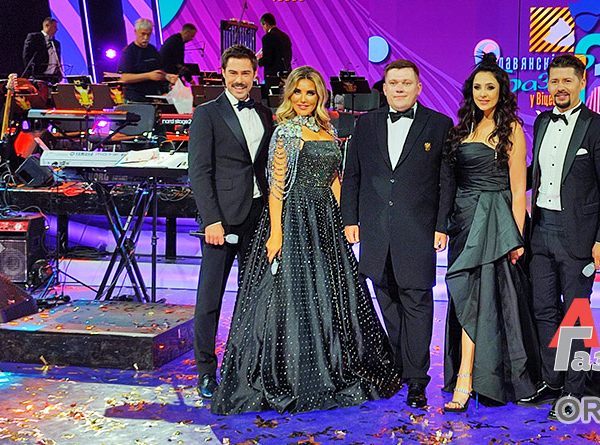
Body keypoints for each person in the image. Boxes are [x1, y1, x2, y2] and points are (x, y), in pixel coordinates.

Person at [211, 66, 401, 415]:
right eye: (297, 92)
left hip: (326, 220)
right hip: (295, 218)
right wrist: (276, 234)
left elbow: (334, 181)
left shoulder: (328, 130)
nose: (303, 99)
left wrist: (348, 220)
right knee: (294, 294)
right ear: (289, 95)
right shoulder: (285, 132)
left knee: (335, 292)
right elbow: (277, 188)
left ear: (319, 96)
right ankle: (297, 372)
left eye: (310, 92)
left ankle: (337, 362)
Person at [341, 59, 454, 408]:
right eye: (394, 83)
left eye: (407, 82)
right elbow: (353, 174)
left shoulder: (439, 124)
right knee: (387, 299)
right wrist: (350, 219)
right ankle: (401, 367)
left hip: (418, 230)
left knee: (417, 302)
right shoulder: (366, 124)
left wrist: (441, 225)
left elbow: (446, 181)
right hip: (375, 229)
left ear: (419, 87)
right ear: (385, 88)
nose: (400, 88)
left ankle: (417, 380)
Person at [520, 55, 600, 421]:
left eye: (567, 80)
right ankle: (552, 380)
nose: (560, 87)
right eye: (554, 81)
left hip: (580, 236)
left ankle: (575, 389)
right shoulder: (541, 121)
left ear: (582, 83)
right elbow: (536, 173)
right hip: (540, 231)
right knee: (544, 310)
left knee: (575, 314)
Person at [442, 53, 539, 412]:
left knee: (482, 298)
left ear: (502, 92)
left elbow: (518, 190)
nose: (483, 93)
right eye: (478, 87)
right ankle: (469, 374)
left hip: (495, 221)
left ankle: (467, 378)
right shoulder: (462, 129)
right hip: (464, 220)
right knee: (465, 292)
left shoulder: (511, 129)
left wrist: (516, 236)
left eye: (490, 87)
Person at [188, 44, 274, 400]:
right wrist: (212, 220)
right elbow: (199, 172)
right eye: (233, 73)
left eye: (246, 73)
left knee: (254, 296)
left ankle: (245, 366)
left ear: (255, 75)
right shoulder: (207, 113)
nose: (240, 80)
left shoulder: (265, 113)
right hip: (222, 220)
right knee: (210, 296)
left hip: (259, 215)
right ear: (223, 74)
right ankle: (206, 371)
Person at [118, 18, 178, 102]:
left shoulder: (152, 49)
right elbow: (124, 78)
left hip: (152, 97)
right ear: (136, 32)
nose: (146, 38)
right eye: (143, 34)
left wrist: (167, 76)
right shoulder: (129, 51)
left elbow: (158, 72)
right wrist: (148, 76)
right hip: (135, 98)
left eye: (148, 34)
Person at [22, 17, 62, 83]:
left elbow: (57, 58)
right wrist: (31, 72)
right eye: (54, 27)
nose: (56, 29)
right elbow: (26, 55)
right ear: (47, 26)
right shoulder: (34, 38)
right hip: (39, 76)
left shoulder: (56, 43)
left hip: (53, 77)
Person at [258, 13, 292, 78]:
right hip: (286, 73)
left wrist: (258, 61)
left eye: (262, 26)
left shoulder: (267, 37)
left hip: (273, 75)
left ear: (265, 24)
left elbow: (268, 59)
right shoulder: (285, 36)